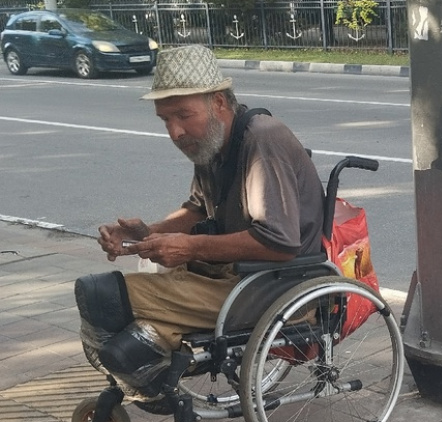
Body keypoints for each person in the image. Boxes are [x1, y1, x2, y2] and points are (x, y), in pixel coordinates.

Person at [74, 44, 325, 400]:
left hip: (274, 285)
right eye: (165, 120)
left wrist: (190, 246)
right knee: (130, 345)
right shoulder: (211, 144)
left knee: (102, 295)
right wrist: (149, 232)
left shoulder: (262, 138)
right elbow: (197, 209)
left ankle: (155, 380)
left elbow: (279, 243)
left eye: (183, 115)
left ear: (219, 102)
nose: (175, 132)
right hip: (231, 275)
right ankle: (156, 385)